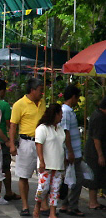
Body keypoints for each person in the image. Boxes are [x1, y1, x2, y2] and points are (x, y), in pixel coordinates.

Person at [9, 78, 47, 217]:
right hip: (27, 143)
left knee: (44, 174)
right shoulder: (20, 104)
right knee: (24, 175)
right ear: (32, 90)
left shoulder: (42, 102)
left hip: (42, 143)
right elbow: (13, 125)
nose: (42, 93)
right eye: (40, 90)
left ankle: (43, 204)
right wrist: (12, 144)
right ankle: (25, 205)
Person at [33, 103, 66, 218]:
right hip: (46, 165)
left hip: (58, 165)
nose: (62, 116)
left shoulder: (61, 130)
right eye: (60, 114)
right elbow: (39, 144)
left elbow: (63, 147)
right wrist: (41, 161)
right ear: (55, 114)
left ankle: (52, 213)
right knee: (43, 188)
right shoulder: (42, 128)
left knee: (55, 190)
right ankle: (37, 207)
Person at [59, 85, 86, 216]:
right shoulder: (66, 111)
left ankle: (65, 204)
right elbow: (66, 132)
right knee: (77, 179)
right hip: (72, 151)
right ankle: (72, 206)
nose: (78, 100)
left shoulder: (67, 110)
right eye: (78, 97)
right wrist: (70, 151)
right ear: (73, 97)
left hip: (73, 151)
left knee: (70, 178)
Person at [84, 97, 106, 211]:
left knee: (95, 176)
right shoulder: (100, 118)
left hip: (93, 152)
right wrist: (100, 155)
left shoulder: (96, 114)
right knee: (94, 176)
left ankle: (94, 201)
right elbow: (96, 138)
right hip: (94, 153)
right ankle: (93, 202)